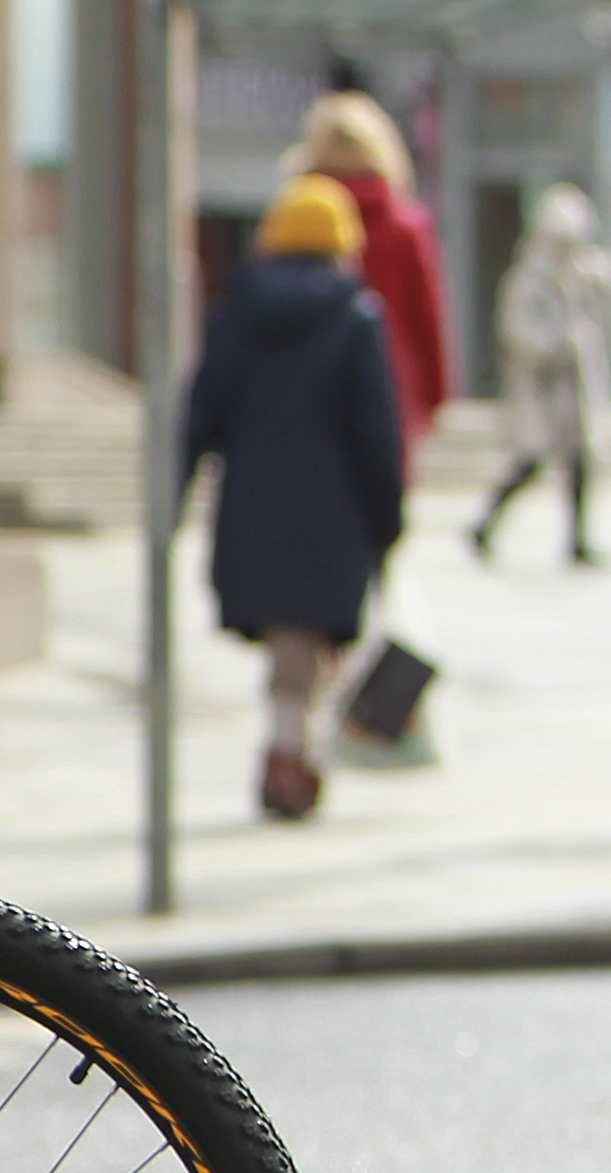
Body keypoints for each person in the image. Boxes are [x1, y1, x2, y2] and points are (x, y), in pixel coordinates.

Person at [184, 176, 407, 822]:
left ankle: (290, 752)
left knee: (292, 641)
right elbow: (376, 430)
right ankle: (290, 759)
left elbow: (200, 414)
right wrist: (387, 516)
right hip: (330, 515)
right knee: (307, 640)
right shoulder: (356, 318)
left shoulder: (234, 314)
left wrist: (173, 497)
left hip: (251, 506)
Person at [470, 182, 611, 568]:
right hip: (540, 387)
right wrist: (557, 344)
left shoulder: (580, 273)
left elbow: (605, 304)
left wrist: (601, 280)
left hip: (573, 389)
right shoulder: (529, 279)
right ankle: (483, 525)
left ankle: (577, 540)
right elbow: (517, 331)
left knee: (579, 462)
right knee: (530, 461)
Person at [298, 90, 450, 455]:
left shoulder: (298, 217)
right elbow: (426, 316)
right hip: (388, 387)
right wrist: (434, 396)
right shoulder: (406, 225)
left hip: (307, 385)